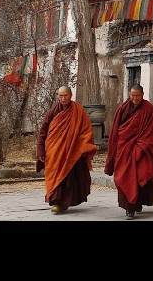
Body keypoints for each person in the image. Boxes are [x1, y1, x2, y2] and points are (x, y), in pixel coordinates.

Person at [105, 84, 153, 220]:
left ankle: (133, 206)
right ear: (129, 94)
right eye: (132, 95)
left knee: (140, 176)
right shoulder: (123, 108)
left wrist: (142, 145)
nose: (135, 98)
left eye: (137, 96)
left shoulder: (149, 109)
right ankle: (129, 206)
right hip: (124, 149)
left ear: (142, 94)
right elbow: (116, 130)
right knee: (123, 177)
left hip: (142, 149)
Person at [36, 85, 98, 214]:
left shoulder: (79, 111)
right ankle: (55, 201)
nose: (63, 98)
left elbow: (86, 131)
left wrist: (84, 147)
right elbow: (43, 131)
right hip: (55, 151)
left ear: (71, 96)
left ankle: (64, 202)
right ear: (57, 96)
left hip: (72, 151)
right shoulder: (53, 112)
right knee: (54, 175)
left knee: (70, 178)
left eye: (65, 95)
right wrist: (40, 150)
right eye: (60, 95)